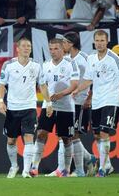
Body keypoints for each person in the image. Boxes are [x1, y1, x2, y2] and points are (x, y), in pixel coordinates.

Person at [72, 30, 119, 177]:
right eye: (97, 40)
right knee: (96, 135)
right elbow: (89, 79)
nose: (100, 43)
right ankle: (108, 165)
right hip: (97, 101)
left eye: (102, 40)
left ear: (107, 42)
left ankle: (102, 169)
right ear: (94, 42)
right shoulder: (91, 59)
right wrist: (77, 90)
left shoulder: (114, 58)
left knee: (103, 133)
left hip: (111, 99)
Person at [45, 32, 96, 177]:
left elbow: (91, 79)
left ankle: (79, 169)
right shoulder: (66, 59)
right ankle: (65, 168)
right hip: (67, 102)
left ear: (71, 43)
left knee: (73, 135)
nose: (62, 45)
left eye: (65, 42)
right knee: (65, 135)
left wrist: (89, 98)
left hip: (80, 100)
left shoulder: (85, 58)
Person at [30, 38, 79, 177]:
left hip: (66, 107)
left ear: (63, 49)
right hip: (49, 106)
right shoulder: (45, 65)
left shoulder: (71, 63)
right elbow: (42, 85)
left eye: (56, 48)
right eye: (50, 49)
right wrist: (49, 101)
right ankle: (34, 167)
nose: (53, 52)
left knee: (66, 138)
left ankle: (66, 170)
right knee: (41, 133)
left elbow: (74, 85)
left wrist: (60, 94)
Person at [0, 38, 41, 178]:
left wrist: (49, 102)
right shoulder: (8, 65)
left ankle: (26, 170)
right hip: (13, 108)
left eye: (29, 46)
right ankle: (14, 166)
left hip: (29, 106)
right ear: (18, 48)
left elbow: (43, 85)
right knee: (11, 140)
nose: (26, 48)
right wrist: (0, 102)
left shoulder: (36, 65)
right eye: (24, 46)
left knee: (29, 137)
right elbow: (2, 85)